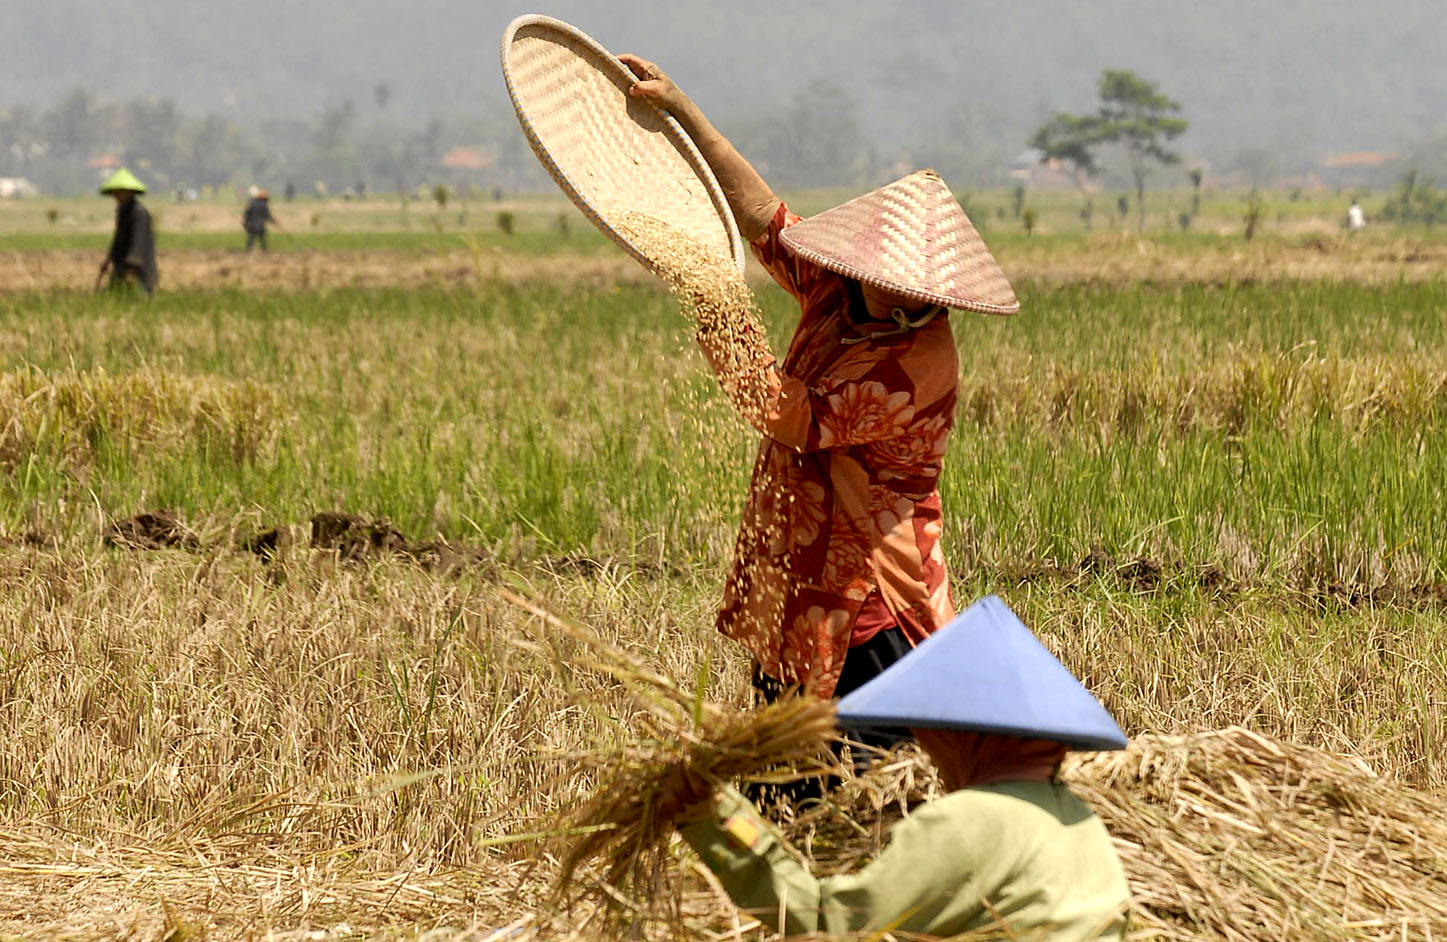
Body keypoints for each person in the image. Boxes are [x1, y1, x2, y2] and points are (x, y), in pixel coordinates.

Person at [618, 55, 1019, 755]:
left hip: (864, 578)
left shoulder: (914, 364)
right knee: (782, 752)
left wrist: (718, 309)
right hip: (799, 553)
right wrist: (682, 109)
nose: (911, 297)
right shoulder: (839, 286)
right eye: (898, 279)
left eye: (923, 289)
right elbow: (760, 217)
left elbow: (787, 414)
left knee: (858, 769)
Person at [666, 596, 1132, 939]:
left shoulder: (969, 823)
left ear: (966, 734)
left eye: (929, 725)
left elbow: (828, 923)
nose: (924, 742)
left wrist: (715, 815)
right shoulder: (1081, 824)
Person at [95, 167, 158, 295]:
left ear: (130, 192)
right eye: (115, 193)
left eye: (120, 192)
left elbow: (138, 244)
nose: (117, 196)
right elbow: (117, 240)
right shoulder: (123, 213)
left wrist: (132, 270)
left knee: (138, 301)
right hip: (121, 268)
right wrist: (108, 260)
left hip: (139, 272)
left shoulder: (139, 213)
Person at [242, 187, 281, 251]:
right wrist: (275, 222)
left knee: (251, 241)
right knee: (263, 242)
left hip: (252, 226)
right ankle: (264, 252)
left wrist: (245, 223)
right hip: (260, 226)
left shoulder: (251, 204)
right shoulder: (264, 205)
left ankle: (248, 252)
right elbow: (268, 216)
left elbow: (246, 215)